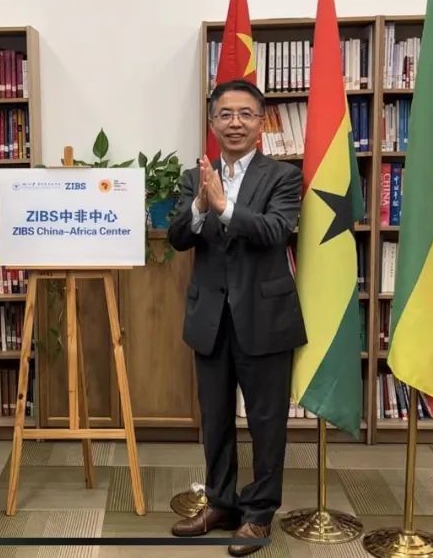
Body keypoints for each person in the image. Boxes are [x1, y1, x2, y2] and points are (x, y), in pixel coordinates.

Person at [167, 79, 306, 557]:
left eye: (246, 114)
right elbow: (178, 238)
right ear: (212, 123)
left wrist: (224, 207)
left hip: (264, 315)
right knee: (216, 419)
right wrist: (200, 206)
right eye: (225, 114)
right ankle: (222, 503)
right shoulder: (195, 177)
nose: (235, 123)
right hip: (210, 316)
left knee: (267, 422)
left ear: (261, 123)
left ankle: (259, 513)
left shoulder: (283, 176)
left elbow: (275, 230)